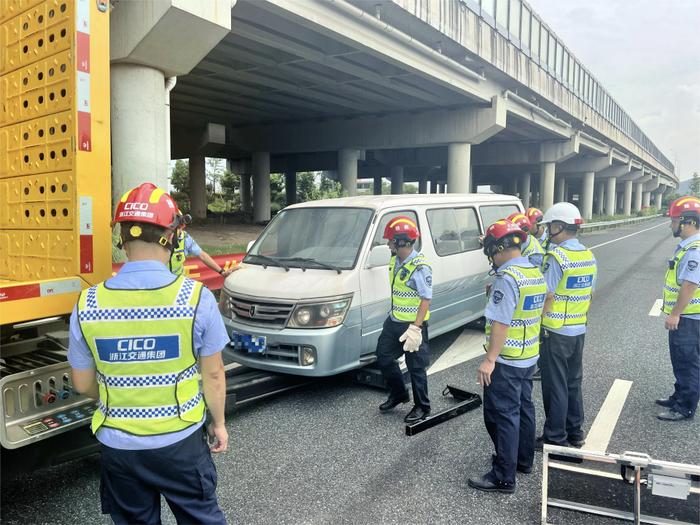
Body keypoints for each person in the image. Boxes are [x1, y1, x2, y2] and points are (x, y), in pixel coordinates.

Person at [68, 183, 229, 524]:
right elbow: (213, 375)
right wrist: (219, 423)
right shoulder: (196, 298)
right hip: (182, 443)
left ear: (121, 239)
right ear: (171, 236)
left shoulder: (88, 302)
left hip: (119, 448)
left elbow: (82, 384)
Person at [468, 220, 546, 494]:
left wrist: (489, 360)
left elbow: (501, 323)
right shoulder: (533, 272)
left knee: (502, 416)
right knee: (524, 409)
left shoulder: (507, 279)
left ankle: (503, 476)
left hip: (507, 360)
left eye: (491, 251)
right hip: (528, 356)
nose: (490, 257)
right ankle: (523, 461)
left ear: (499, 248)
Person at [537, 202, 597, 449]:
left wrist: (536, 322)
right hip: (578, 329)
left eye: (550, 226)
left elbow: (546, 295)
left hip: (555, 331)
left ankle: (555, 437)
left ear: (559, 227)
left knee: (555, 385)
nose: (548, 231)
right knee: (573, 382)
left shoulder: (557, 257)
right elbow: (591, 292)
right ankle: (575, 432)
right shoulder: (587, 255)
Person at [376, 216, 432, 424]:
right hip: (394, 322)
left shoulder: (420, 267)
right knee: (383, 356)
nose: (388, 244)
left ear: (401, 242)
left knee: (416, 368)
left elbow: (426, 299)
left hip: (412, 325)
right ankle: (399, 393)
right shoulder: (395, 260)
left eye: (391, 240)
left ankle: (422, 407)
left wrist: (416, 328)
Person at [658, 196, 700, 421]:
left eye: (674, 220)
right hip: (688, 316)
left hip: (689, 318)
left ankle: (685, 407)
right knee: (680, 359)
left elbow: (690, 284)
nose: (671, 225)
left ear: (687, 222)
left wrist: (675, 313)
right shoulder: (688, 247)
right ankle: (679, 395)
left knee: (687, 361)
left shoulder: (694, 250)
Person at [170, 217, 237, 278]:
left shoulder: (185, 238)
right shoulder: (160, 241)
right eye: (179, 227)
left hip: (179, 282)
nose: (182, 229)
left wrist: (222, 272)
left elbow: (202, 255)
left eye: (181, 227)